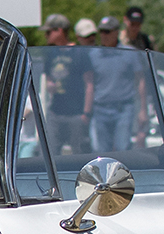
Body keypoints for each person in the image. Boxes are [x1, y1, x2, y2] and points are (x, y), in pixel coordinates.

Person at [84, 32, 144, 152]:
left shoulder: (130, 53)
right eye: (102, 31)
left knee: (123, 148)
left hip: (123, 108)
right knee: (101, 151)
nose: (104, 35)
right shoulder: (93, 54)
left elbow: (140, 80)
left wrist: (143, 109)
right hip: (101, 108)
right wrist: (87, 111)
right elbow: (89, 83)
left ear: (116, 32)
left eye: (108, 31)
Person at [40, 15, 87, 154]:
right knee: (50, 152)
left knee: (78, 152)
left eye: (49, 32)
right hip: (56, 111)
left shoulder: (79, 53)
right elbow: (48, 77)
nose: (46, 35)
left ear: (59, 31)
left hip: (76, 112)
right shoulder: (51, 53)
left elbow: (89, 83)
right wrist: (49, 85)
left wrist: (86, 113)